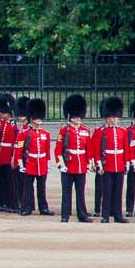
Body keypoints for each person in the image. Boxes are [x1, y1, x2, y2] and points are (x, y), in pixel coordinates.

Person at [57, 94, 93, 223]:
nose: (78, 118)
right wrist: (61, 164)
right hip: (68, 165)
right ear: (70, 116)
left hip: (81, 165)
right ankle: (65, 215)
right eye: (75, 116)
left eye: (79, 116)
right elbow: (58, 150)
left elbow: (88, 149)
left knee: (80, 193)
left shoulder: (85, 130)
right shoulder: (64, 130)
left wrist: (89, 164)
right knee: (66, 193)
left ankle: (82, 215)